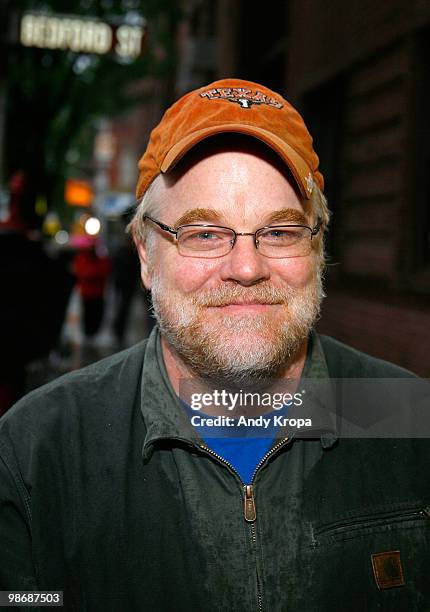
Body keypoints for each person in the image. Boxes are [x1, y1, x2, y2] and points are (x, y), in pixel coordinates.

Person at [0, 78, 429, 611]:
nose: (247, 268)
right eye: (203, 233)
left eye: (279, 232)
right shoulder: (39, 449)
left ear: (318, 247)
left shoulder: (411, 418)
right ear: (144, 254)